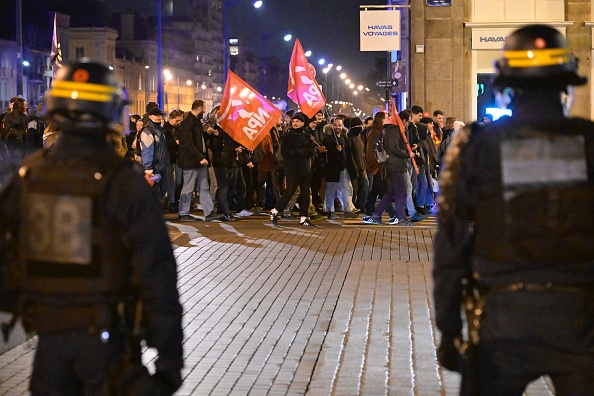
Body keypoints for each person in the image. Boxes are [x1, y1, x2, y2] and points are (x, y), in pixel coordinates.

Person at [0, 60, 183, 395]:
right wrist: (170, 365)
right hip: (109, 350)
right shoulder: (123, 182)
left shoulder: (29, 176)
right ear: (110, 111)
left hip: (49, 349)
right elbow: (157, 277)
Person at [433, 25, 594, 395]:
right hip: (580, 321)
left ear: (505, 88)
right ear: (566, 86)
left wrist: (449, 329)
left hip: (501, 321)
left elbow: (451, 247)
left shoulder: (476, 146)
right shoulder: (589, 142)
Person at [270, 113, 316, 226]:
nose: (295, 123)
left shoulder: (306, 136)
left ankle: (303, 217)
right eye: (294, 121)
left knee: (305, 194)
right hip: (292, 168)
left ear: (303, 123)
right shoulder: (287, 136)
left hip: (305, 168)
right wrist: (299, 151)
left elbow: (311, 151)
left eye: (298, 121)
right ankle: (275, 211)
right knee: (290, 192)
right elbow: (286, 152)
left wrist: (300, 151)